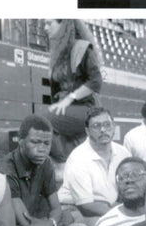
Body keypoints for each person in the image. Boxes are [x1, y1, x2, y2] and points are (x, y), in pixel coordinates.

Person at [57, 107, 131, 226]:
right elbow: (86, 206)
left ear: (113, 127)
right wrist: (122, 215)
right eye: (96, 126)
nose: (103, 130)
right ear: (87, 131)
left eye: (107, 124)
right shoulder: (78, 158)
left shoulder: (123, 153)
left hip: (109, 205)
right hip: (75, 210)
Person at [44, 19, 104, 162]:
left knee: (45, 121)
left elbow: (96, 81)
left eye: (49, 23)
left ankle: (64, 162)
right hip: (67, 108)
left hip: (86, 108)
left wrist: (70, 98)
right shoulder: (57, 53)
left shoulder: (82, 47)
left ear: (64, 24)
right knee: (40, 122)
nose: (45, 28)